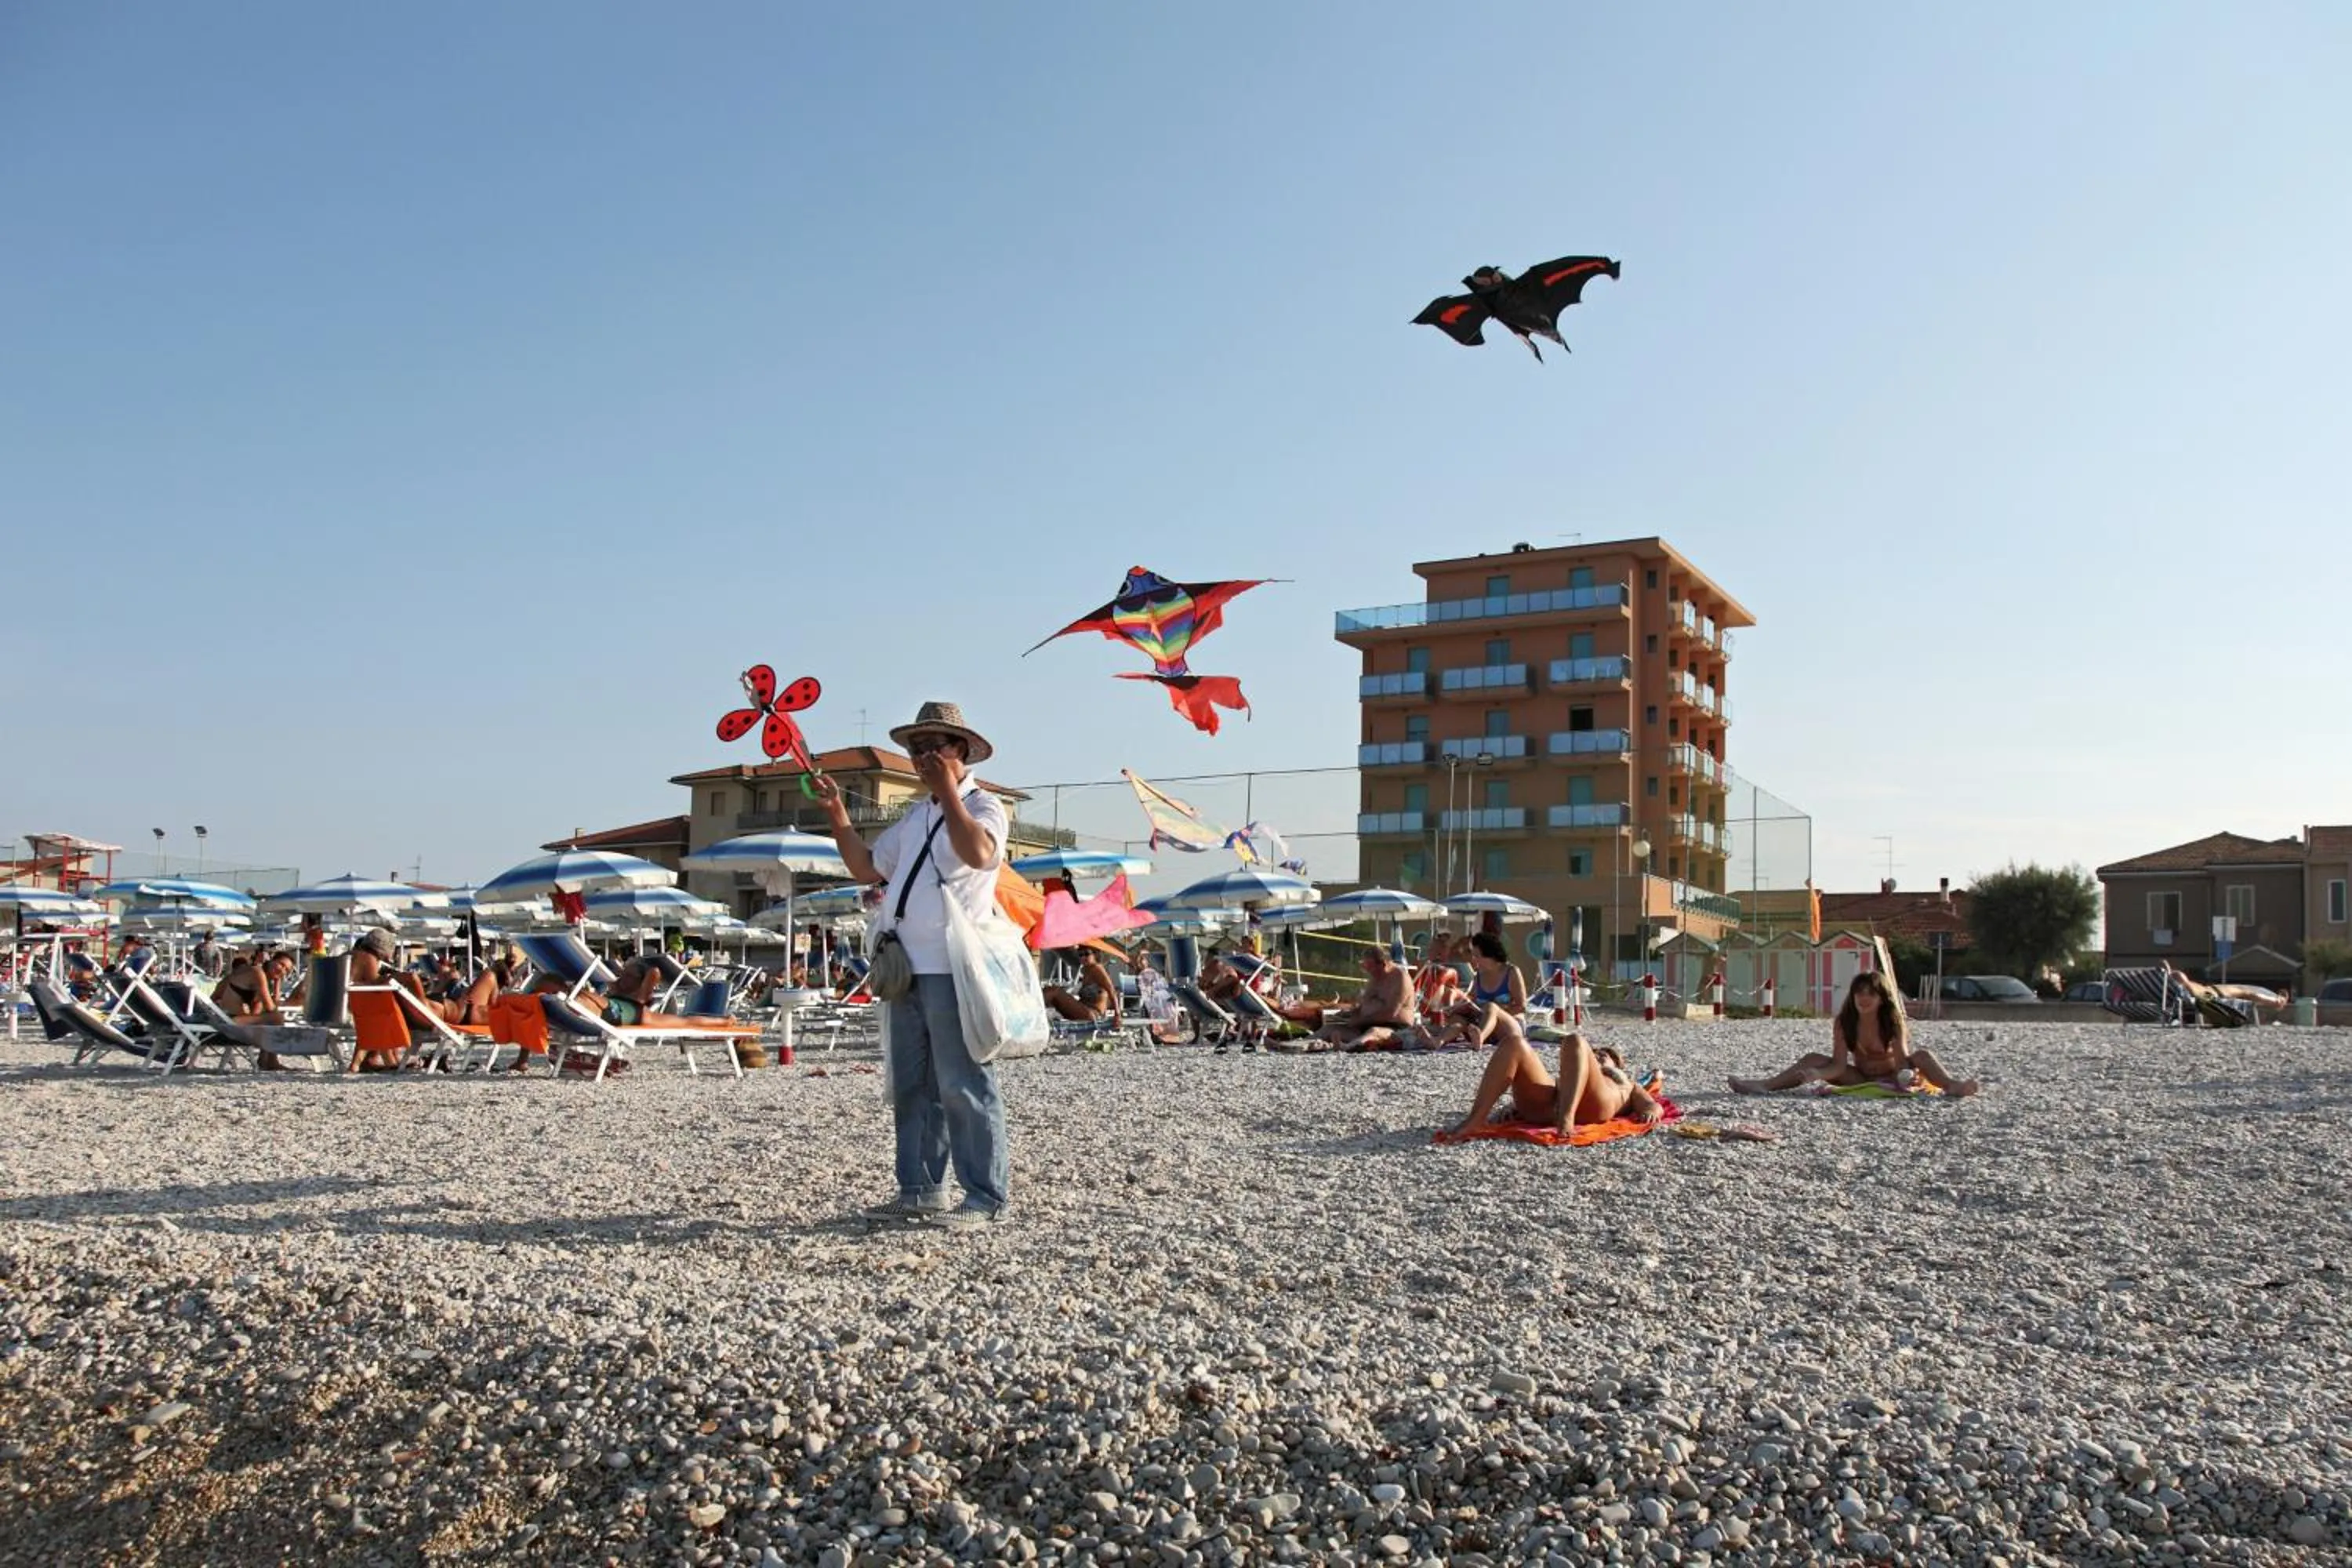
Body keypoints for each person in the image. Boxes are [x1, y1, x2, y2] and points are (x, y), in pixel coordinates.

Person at [818, 700, 1011, 1231]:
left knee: (963, 1082)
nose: (924, 755)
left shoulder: (987, 807)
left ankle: (985, 1197)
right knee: (912, 1084)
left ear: (962, 752)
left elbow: (977, 853)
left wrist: (949, 790)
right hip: (906, 967)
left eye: (936, 746)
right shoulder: (913, 816)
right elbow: (865, 868)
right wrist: (837, 815)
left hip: (955, 965)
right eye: (917, 747)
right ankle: (921, 1189)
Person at [1730, 970, 1980, 1097]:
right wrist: (1818, 1074)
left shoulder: (1892, 1021)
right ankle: (1764, 1085)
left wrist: (1906, 1076)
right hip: (1861, 1078)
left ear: (1882, 999)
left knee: (1923, 1055)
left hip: (1895, 1075)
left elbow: (1902, 1056)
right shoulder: (1845, 1021)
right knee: (1813, 1059)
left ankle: (1952, 1086)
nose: (1864, 998)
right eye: (1859, 993)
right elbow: (1839, 1065)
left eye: (1870, 994)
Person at [1436, 1008, 1662, 1142]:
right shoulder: (1573, 1074)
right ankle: (1476, 1120)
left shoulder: (1625, 1083)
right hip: (1549, 1105)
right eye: (1597, 1052)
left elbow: (1652, 1105)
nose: (1600, 1055)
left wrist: (1650, 1111)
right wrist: (1512, 1107)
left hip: (1592, 1106)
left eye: (1606, 1054)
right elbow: (1544, 1087)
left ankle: (1567, 1118)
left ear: (1618, 1064)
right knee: (1515, 1043)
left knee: (1574, 1039)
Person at [1310, 946, 1418, 1051]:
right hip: (1366, 1025)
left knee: (1374, 1031)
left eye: (1370, 967)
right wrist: (1349, 1015)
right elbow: (1362, 1005)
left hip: (1395, 1028)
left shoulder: (1400, 978)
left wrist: (1361, 1021)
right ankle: (1300, 1044)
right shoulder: (1375, 979)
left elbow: (1391, 1013)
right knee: (1329, 1028)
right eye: (1366, 967)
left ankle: (1348, 1047)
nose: (1368, 971)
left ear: (1383, 964)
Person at [1044, 949, 1120, 1022]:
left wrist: (1117, 1015)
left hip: (1093, 1014)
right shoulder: (1086, 970)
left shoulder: (1097, 968)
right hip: (1084, 1011)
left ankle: (1032, 1010)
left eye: (1087, 954)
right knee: (1049, 991)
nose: (1083, 957)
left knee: (1055, 991)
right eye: (1080, 955)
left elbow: (1112, 991)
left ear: (1095, 954)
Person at [1463, 930, 1528, 1017]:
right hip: (1482, 1022)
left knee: (1491, 1009)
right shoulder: (1478, 976)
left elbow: (1521, 1007)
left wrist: (1493, 1015)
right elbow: (1469, 1002)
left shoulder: (1511, 972)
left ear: (1490, 955)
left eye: (1477, 956)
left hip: (1510, 1022)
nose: (1473, 960)